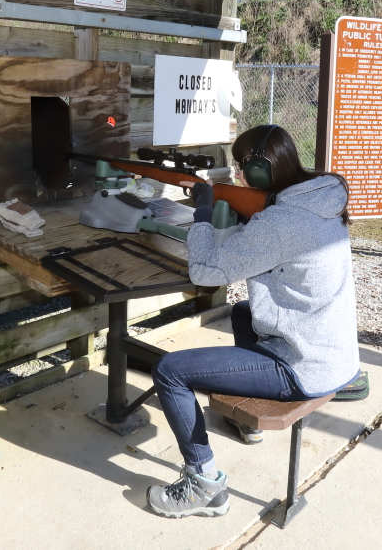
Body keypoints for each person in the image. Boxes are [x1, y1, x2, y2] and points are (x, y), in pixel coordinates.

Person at [145, 124, 362, 519]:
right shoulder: (321, 194)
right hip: (334, 351)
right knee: (245, 312)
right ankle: (249, 422)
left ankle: (204, 484)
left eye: (242, 170)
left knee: (169, 370)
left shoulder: (279, 223)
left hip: (302, 366)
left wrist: (204, 213)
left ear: (261, 172)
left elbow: (206, 271)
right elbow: (264, 243)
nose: (238, 178)